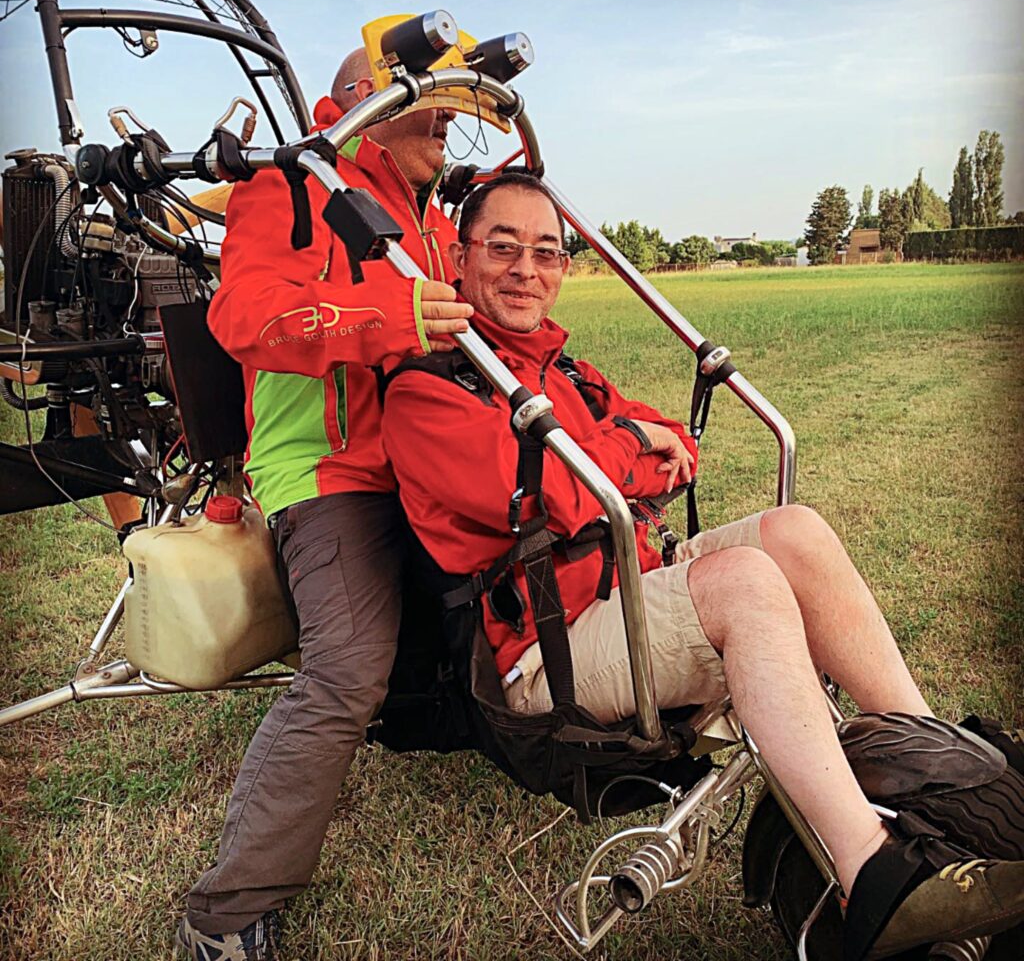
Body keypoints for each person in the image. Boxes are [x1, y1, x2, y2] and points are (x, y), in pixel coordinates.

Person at [381, 173, 1024, 960]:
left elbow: (670, 448)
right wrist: (623, 456)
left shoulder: (562, 369)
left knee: (794, 531)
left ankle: (938, 768)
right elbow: (563, 493)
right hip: (544, 658)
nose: (525, 269)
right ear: (457, 254)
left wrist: (628, 457)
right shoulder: (426, 391)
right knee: (745, 583)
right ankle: (876, 879)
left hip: (623, 590)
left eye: (545, 252)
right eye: (502, 248)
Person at [175, 49, 474, 961]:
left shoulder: (431, 216)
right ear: (360, 104)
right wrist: (385, 320)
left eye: (451, 111)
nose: (445, 123)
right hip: (331, 472)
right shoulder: (295, 189)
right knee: (345, 673)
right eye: (427, 106)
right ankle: (223, 915)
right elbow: (245, 316)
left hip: (429, 459)